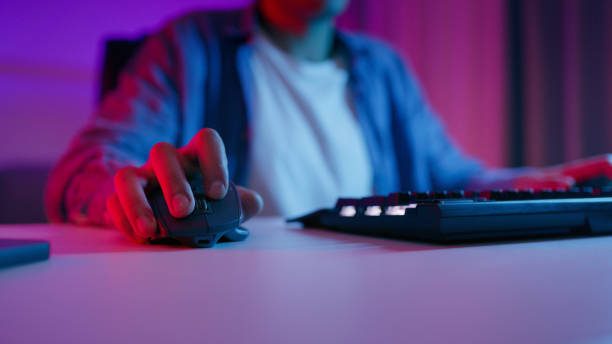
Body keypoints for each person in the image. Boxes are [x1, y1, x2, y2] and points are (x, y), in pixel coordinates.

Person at [45, 0, 611, 243]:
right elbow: (86, 169)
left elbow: (449, 171)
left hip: (373, 297)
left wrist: (538, 185)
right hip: (222, 306)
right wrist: (134, 192)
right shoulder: (188, 47)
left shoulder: (383, 67)